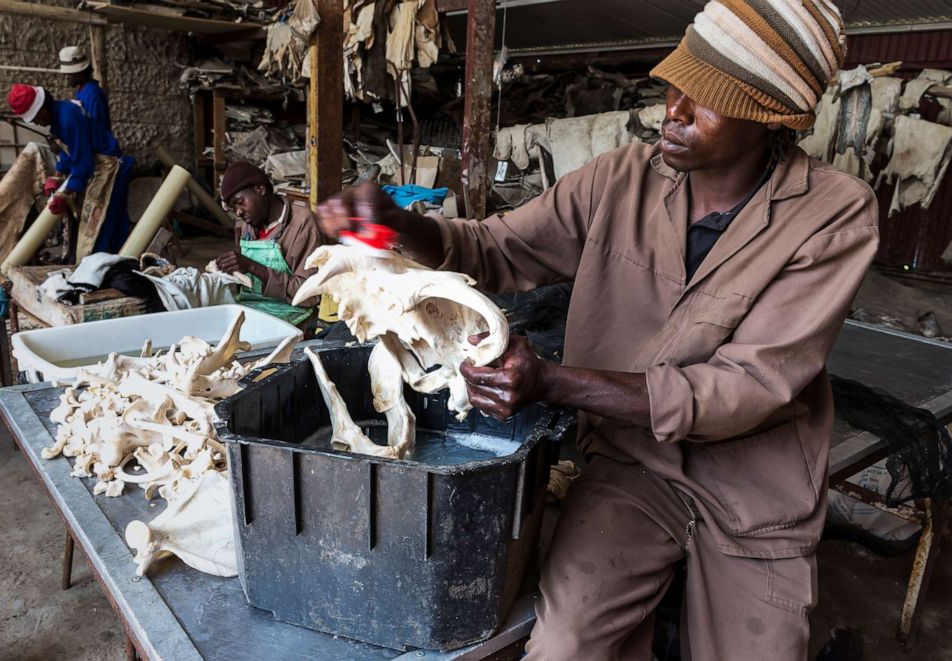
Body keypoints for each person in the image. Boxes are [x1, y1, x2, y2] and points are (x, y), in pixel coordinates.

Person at [315, 1, 879, 659]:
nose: (674, 109)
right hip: (634, 466)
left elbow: (745, 390)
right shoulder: (623, 178)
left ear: (771, 115)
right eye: (674, 86)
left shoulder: (833, 216)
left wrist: (553, 381)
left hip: (755, 491)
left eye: (707, 102)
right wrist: (408, 227)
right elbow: (499, 248)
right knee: (565, 644)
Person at [8, 84, 133, 256]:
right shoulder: (61, 116)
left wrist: (63, 193)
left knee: (99, 224)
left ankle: (109, 265)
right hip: (101, 166)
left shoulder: (68, 119)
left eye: (36, 118)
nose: (37, 123)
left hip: (111, 166)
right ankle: (120, 260)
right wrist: (57, 176)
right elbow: (70, 153)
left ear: (43, 109)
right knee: (109, 221)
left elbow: (83, 164)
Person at [215, 161, 326, 306]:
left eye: (240, 202)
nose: (238, 212)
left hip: (294, 316)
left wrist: (252, 266)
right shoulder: (248, 226)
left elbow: (310, 295)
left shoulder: (303, 224)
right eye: (233, 208)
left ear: (260, 189)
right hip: (254, 307)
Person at [59, 45, 112, 133]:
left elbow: (97, 130)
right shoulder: (82, 91)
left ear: (79, 73)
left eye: (69, 74)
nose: (66, 78)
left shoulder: (94, 94)